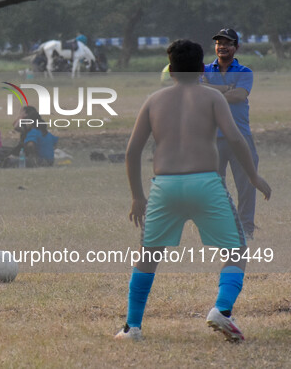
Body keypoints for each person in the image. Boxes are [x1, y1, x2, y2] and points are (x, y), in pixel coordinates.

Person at [115, 40, 271, 342]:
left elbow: (132, 152)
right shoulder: (213, 97)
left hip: (165, 186)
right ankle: (222, 310)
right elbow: (236, 140)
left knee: (148, 257)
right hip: (206, 183)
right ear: (203, 69)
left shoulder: (154, 100)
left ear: (170, 70)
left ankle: (132, 327)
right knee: (236, 251)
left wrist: (137, 196)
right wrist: (253, 176)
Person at [202, 28, 258, 240]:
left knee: (247, 184)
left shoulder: (245, 72)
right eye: (219, 42)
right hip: (212, 138)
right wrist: (226, 88)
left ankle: (246, 229)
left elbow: (239, 95)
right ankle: (224, 227)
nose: (222, 46)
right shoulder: (204, 69)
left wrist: (212, 90)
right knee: (215, 186)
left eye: (228, 42)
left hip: (241, 136)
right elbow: (200, 92)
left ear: (237, 47)